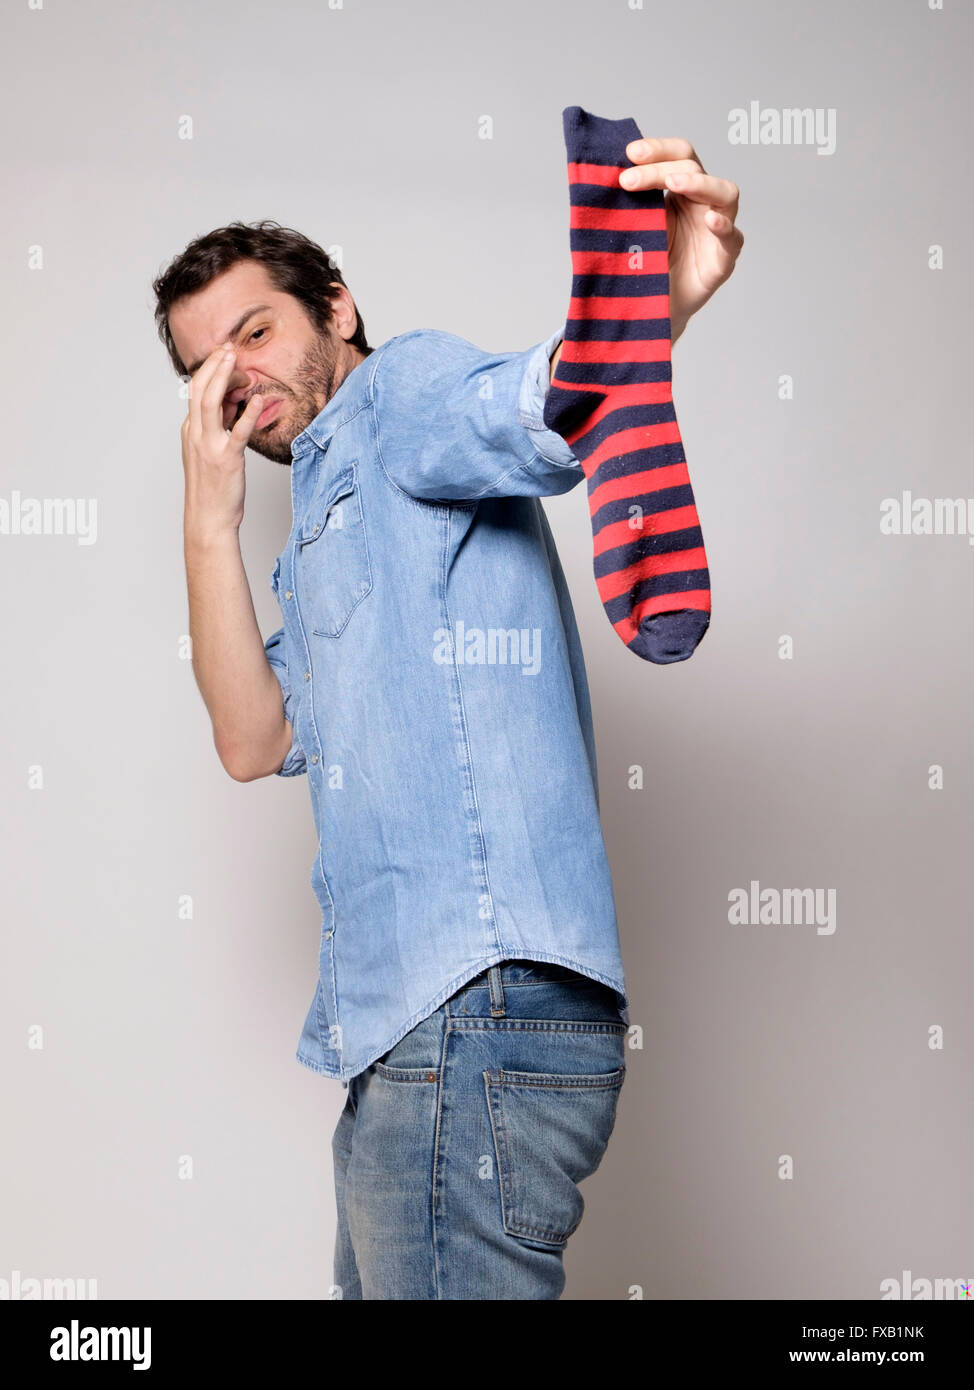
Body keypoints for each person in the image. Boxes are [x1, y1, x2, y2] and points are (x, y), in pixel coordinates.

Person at [151, 129, 742, 1299]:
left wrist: (652, 308)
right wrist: (207, 516)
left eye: (255, 332)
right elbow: (251, 737)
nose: (236, 376)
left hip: (471, 1008)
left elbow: (523, 405)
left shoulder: (395, 396)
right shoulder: (320, 540)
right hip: (408, 1040)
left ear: (336, 306)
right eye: (205, 368)